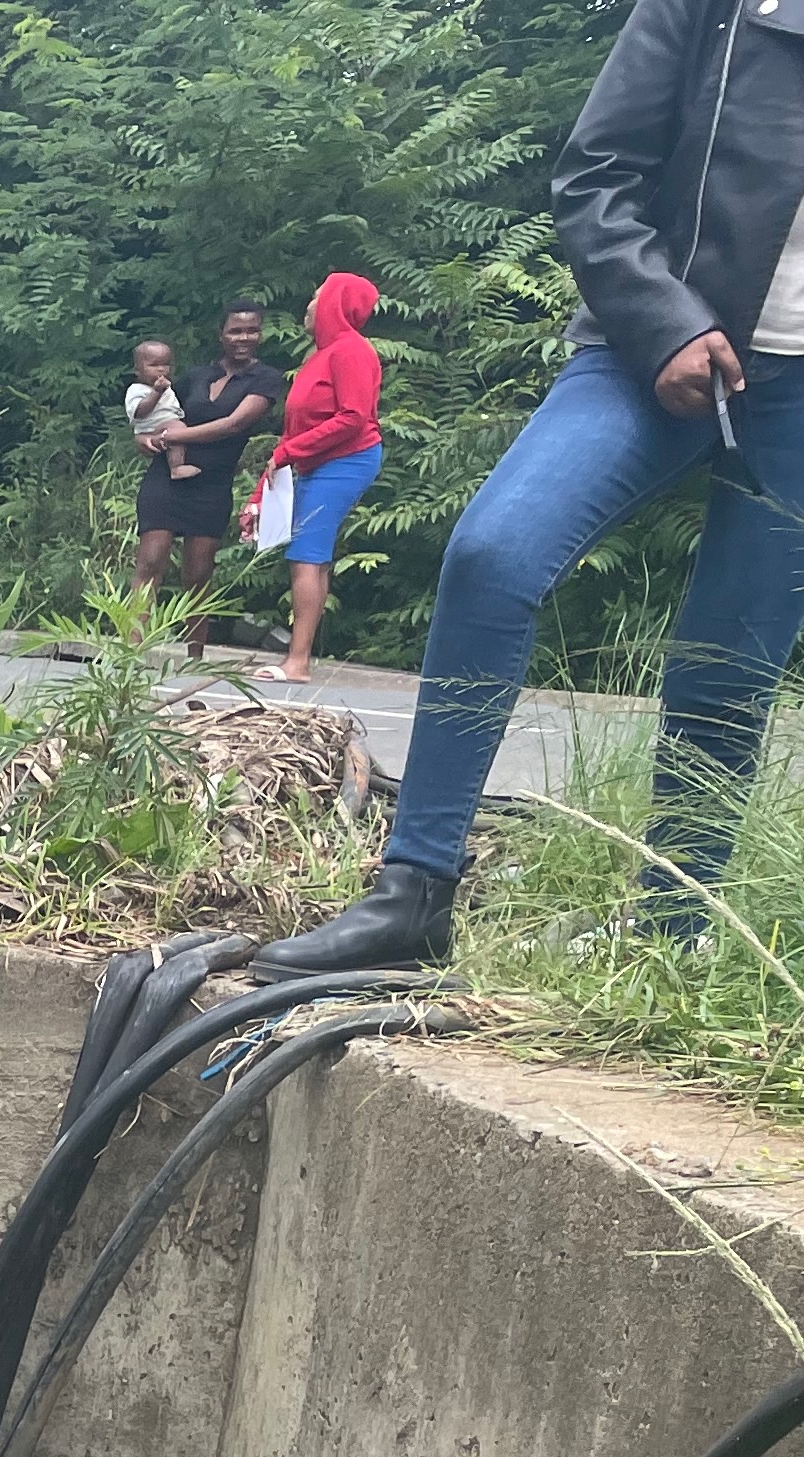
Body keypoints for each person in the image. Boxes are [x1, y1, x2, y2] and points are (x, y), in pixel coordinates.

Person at [261, 0, 804, 971]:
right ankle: (415, 891)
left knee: (730, 660)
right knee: (495, 554)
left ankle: (671, 938)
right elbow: (597, 171)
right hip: (652, 347)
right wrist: (665, 321)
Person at [136, 304, 281, 651]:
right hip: (165, 478)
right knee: (150, 562)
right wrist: (143, 439)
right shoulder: (196, 375)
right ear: (221, 335)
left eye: (251, 330)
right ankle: (131, 648)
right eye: (235, 330)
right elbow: (158, 413)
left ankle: (194, 655)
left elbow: (233, 424)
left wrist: (172, 437)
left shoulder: (266, 379)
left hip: (212, 483)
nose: (243, 337)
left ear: (260, 334)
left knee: (198, 574)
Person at [264, 272, 386, 682]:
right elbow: (296, 427)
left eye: (318, 297)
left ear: (334, 304)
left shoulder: (351, 351)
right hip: (318, 461)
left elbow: (353, 418)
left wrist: (288, 453)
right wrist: (266, 484)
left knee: (307, 553)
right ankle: (299, 657)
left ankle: (297, 662)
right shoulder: (323, 354)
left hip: (347, 460)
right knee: (309, 555)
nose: (309, 305)